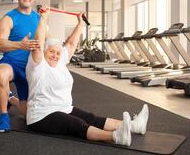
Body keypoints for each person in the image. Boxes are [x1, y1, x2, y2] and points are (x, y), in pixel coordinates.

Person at [25, 8, 149, 146]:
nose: (55, 55)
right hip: (42, 115)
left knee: (92, 118)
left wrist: (80, 23)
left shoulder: (60, 62)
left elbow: (71, 44)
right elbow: (37, 43)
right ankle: (116, 136)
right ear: (44, 51)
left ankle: (134, 126)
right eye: (51, 52)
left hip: (63, 108)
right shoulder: (38, 65)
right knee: (77, 124)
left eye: (58, 53)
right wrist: (43, 18)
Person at [0, 0, 41, 132]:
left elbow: (46, 41)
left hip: (29, 67)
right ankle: (4, 115)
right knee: (1, 74)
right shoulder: (8, 18)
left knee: (28, 115)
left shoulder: (40, 19)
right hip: (12, 63)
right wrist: (20, 45)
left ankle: (10, 99)